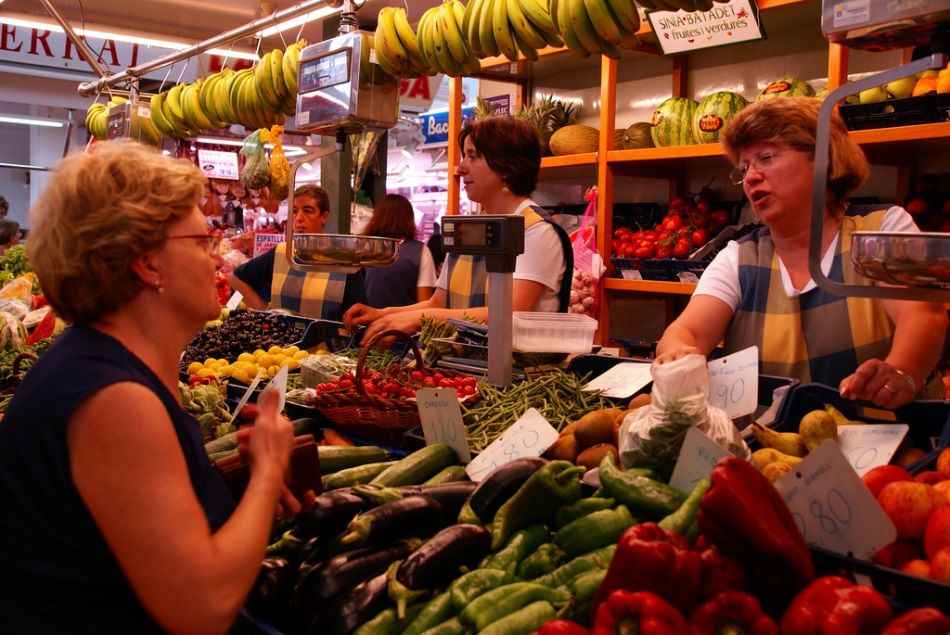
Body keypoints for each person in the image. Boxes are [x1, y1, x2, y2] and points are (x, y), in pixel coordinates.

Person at [0, 140, 302, 632]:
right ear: (146, 263)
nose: (215, 259)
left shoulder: (103, 366)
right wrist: (268, 473)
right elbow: (200, 609)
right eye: (202, 240)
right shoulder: (114, 400)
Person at [655, 97, 947, 408]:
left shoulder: (884, 226)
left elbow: (922, 311)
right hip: (771, 449)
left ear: (823, 160)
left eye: (766, 158)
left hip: (890, 443)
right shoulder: (739, 258)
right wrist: (678, 351)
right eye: (744, 167)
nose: (751, 176)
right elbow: (688, 330)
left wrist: (902, 371)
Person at [344, 116, 573, 342]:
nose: (461, 168)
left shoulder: (536, 231)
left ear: (506, 167)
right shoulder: (469, 229)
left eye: (472, 156)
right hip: (462, 370)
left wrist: (421, 319)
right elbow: (438, 303)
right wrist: (382, 314)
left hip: (516, 374)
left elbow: (509, 313)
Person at [228, 184, 366, 321]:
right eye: (294, 211)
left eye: (308, 211)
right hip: (281, 342)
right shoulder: (281, 252)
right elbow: (235, 279)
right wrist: (264, 310)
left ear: (324, 217)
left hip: (324, 343)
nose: (299, 218)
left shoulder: (345, 262)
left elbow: (357, 318)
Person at [362, 193, 437, 308]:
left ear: (377, 218)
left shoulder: (364, 249)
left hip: (365, 324)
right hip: (404, 324)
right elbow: (424, 307)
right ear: (408, 219)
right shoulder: (421, 252)